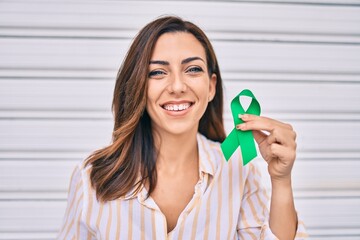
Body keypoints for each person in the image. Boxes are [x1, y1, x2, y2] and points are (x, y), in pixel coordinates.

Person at [57, 16, 307, 239]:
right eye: (157, 72)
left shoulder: (239, 170)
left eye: (193, 69)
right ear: (138, 87)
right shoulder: (92, 178)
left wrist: (281, 180)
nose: (177, 86)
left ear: (211, 87)